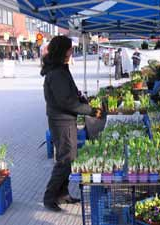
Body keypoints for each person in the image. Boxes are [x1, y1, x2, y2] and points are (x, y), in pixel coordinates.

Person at [40, 36, 97, 212]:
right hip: (61, 121)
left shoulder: (60, 69)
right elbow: (66, 102)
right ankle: (49, 197)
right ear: (62, 51)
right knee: (66, 160)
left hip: (64, 119)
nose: (72, 51)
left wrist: (79, 97)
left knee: (67, 158)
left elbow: (69, 94)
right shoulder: (56, 73)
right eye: (70, 49)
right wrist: (90, 110)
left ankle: (62, 194)